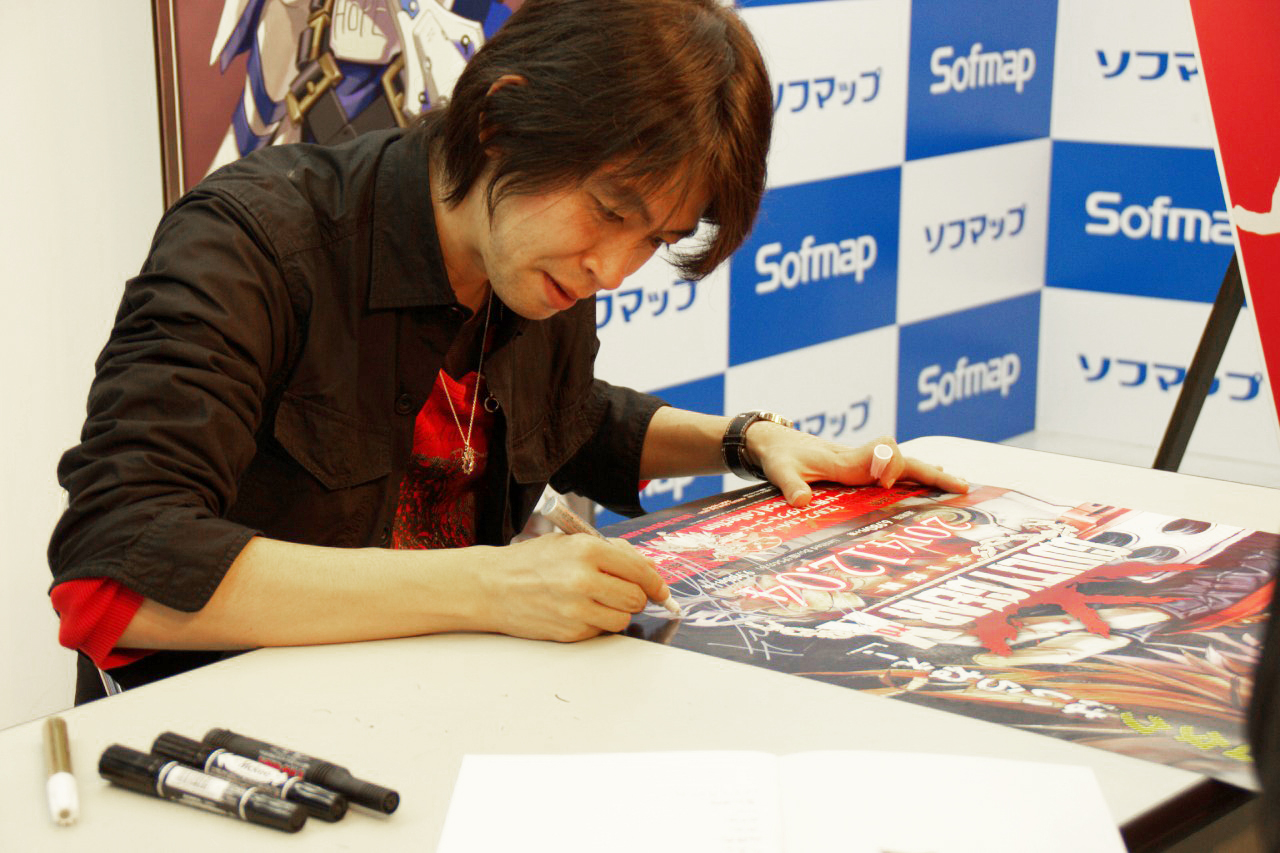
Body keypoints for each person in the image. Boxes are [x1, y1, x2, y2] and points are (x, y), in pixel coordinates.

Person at [48, 0, 966, 703]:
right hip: (228, 750)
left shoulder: (533, 264)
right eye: (609, 210)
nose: (613, 268)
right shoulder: (250, 243)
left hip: (440, 720)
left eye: (653, 239)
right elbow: (111, 575)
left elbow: (562, 418)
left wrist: (747, 441)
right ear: (500, 121)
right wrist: (492, 584)